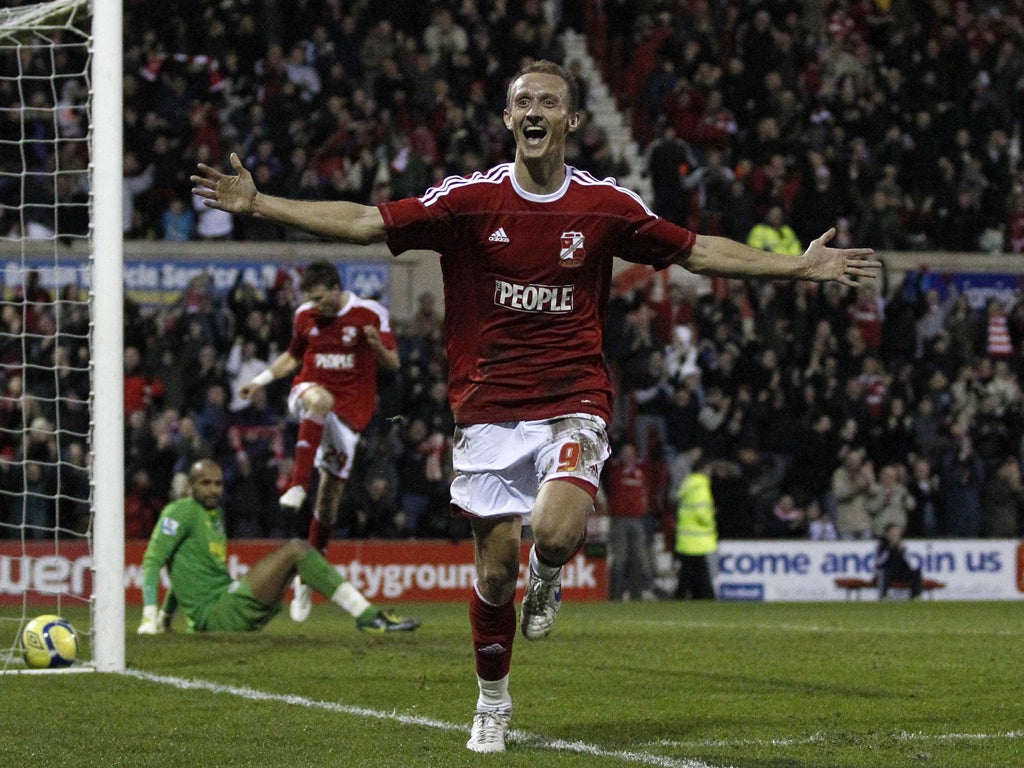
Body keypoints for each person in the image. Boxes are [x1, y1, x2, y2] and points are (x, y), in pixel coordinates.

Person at [191, 60, 879, 753]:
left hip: (572, 397)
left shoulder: (606, 206)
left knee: (552, 532)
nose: (535, 109)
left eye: (549, 100)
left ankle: (547, 577)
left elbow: (697, 253)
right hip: (487, 407)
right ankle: (493, 699)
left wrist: (799, 266)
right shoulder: (468, 200)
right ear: (508, 119)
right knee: (492, 574)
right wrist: (261, 204)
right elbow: (367, 222)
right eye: (523, 100)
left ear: (571, 122)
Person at [237, 259, 400, 623]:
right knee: (319, 400)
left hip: (349, 418)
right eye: (310, 298)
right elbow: (292, 358)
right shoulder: (305, 316)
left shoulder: (370, 313)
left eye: (320, 297)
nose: (316, 305)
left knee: (327, 506)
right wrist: (260, 381)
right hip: (309, 393)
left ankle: (307, 582)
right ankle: (297, 485)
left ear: (335, 287)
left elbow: (393, 365)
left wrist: (375, 346)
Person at [137, 459, 419, 634]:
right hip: (219, 612)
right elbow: (153, 560)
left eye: (219, 484)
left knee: (297, 554)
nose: (214, 490)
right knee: (296, 549)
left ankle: (362, 615)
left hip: (224, 601)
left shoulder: (216, 515)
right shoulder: (181, 510)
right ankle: (368, 617)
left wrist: (166, 616)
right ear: (191, 486)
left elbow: (184, 570)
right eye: (206, 483)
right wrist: (150, 617)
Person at [602, 441, 655, 601]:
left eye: (631, 453)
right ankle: (615, 595)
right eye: (625, 453)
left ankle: (636, 595)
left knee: (638, 558)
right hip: (620, 520)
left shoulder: (640, 472)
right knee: (619, 558)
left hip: (637, 520)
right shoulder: (615, 470)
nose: (629, 456)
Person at [673, 456, 718, 600]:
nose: (710, 473)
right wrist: (711, 524)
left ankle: (686, 596)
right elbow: (701, 512)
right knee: (698, 571)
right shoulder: (700, 486)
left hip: (687, 537)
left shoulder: (689, 485)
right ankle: (705, 597)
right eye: (709, 469)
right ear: (704, 469)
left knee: (690, 571)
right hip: (698, 537)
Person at [874, 522, 923, 600]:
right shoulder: (882, 545)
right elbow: (879, 562)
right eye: (892, 533)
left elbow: (910, 563)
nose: (895, 535)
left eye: (896, 532)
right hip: (888, 570)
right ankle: (884, 596)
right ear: (887, 534)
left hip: (900, 571)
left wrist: (903, 551)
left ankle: (916, 596)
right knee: (883, 573)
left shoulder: (902, 544)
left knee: (916, 571)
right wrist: (890, 548)